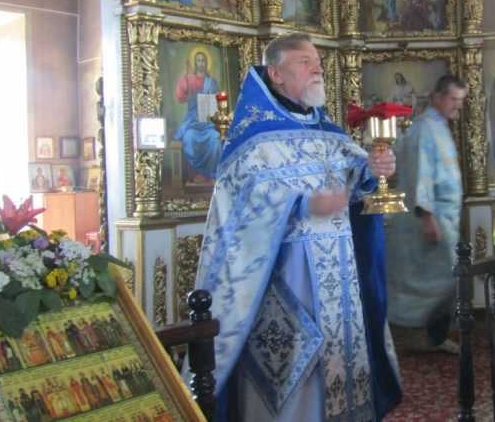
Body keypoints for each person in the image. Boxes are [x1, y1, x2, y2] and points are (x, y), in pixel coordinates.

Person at [187, 33, 402, 421]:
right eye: (305, 62)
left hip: (340, 287)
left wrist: (376, 169)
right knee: (295, 380)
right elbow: (241, 208)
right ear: (276, 74)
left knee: (343, 366)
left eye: (318, 61)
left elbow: (360, 179)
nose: (318, 68)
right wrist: (302, 204)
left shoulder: (328, 133)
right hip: (285, 288)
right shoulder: (253, 141)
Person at [386, 74, 467, 353]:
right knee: (436, 280)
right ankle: (410, 335)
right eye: (454, 99)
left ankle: (433, 336)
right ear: (438, 97)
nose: (458, 106)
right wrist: (427, 217)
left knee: (447, 278)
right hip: (431, 220)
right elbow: (422, 175)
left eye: (461, 100)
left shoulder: (439, 126)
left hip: (445, 218)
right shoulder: (424, 129)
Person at [174, 51, 222, 181]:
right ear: (195, 63)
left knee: (215, 138)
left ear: (206, 63)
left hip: (207, 121)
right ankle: (196, 174)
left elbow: (218, 102)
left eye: (203, 60)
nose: (201, 63)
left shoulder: (211, 82)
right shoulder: (188, 79)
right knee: (189, 137)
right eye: (198, 60)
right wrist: (185, 88)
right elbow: (180, 98)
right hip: (192, 121)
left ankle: (211, 174)